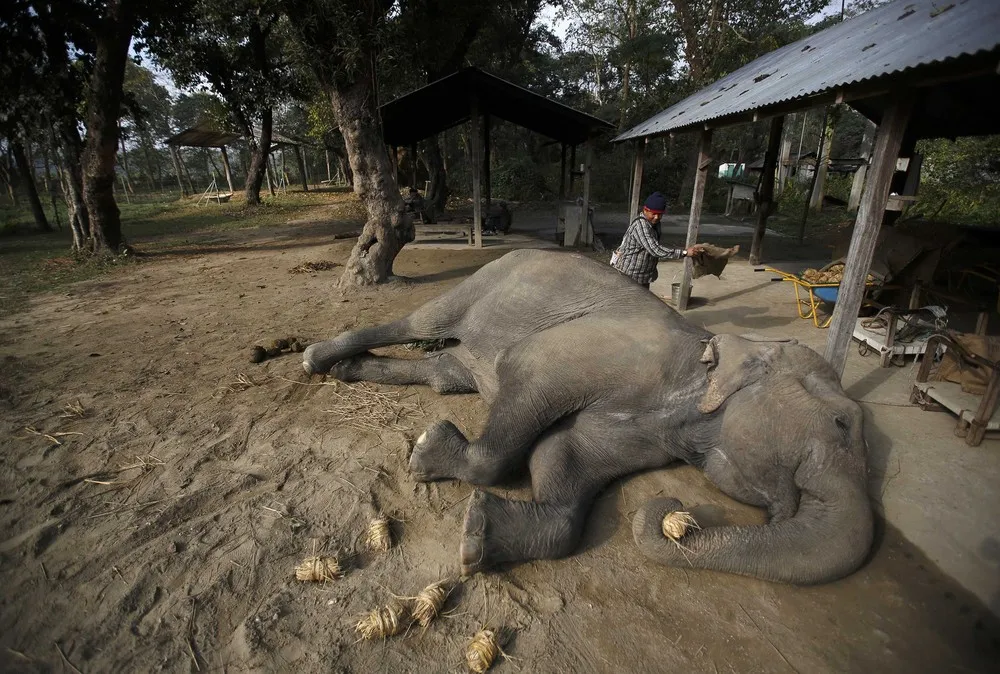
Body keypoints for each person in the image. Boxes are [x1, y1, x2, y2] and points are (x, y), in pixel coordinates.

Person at [611, 191, 704, 289]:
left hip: (642, 277)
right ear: (645, 210)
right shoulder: (640, 225)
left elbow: (656, 245)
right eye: (654, 214)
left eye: (660, 214)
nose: (657, 217)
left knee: (644, 302)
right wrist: (685, 252)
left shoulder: (654, 224)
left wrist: (684, 249)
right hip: (630, 276)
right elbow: (655, 250)